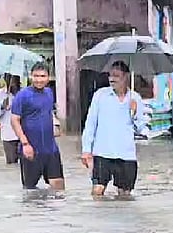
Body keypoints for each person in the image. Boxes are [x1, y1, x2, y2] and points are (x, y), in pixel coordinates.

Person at [80, 61, 146, 198]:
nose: (112, 79)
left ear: (126, 77)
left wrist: (134, 112)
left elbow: (140, 129)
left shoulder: (135, 98)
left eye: (116, 75)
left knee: (125, 195)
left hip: (126, 154)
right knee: (97, 192)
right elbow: (91, 123)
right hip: (102, 153)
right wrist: (86, 150)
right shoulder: (100, 95)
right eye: (110, 75)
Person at [10, 63, 64, 193]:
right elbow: (14, 120)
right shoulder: (22, 95)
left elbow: (49, 113)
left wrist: (55, 126)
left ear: (48, 77)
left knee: (59, 189)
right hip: (30, 149)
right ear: (31, 77)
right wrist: (25, 143)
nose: (39, 79)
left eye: (43, 76)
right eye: (36, 76)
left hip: (51, 149)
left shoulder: (49, 93)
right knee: (30, 192)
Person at [0, 73, 22, 165]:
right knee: (12, 164)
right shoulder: (0, 95)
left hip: (25, 135)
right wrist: (2, 107)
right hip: (9, 136)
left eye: (14, 78)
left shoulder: (24, 94)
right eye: (8, 78)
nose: (12, 82)